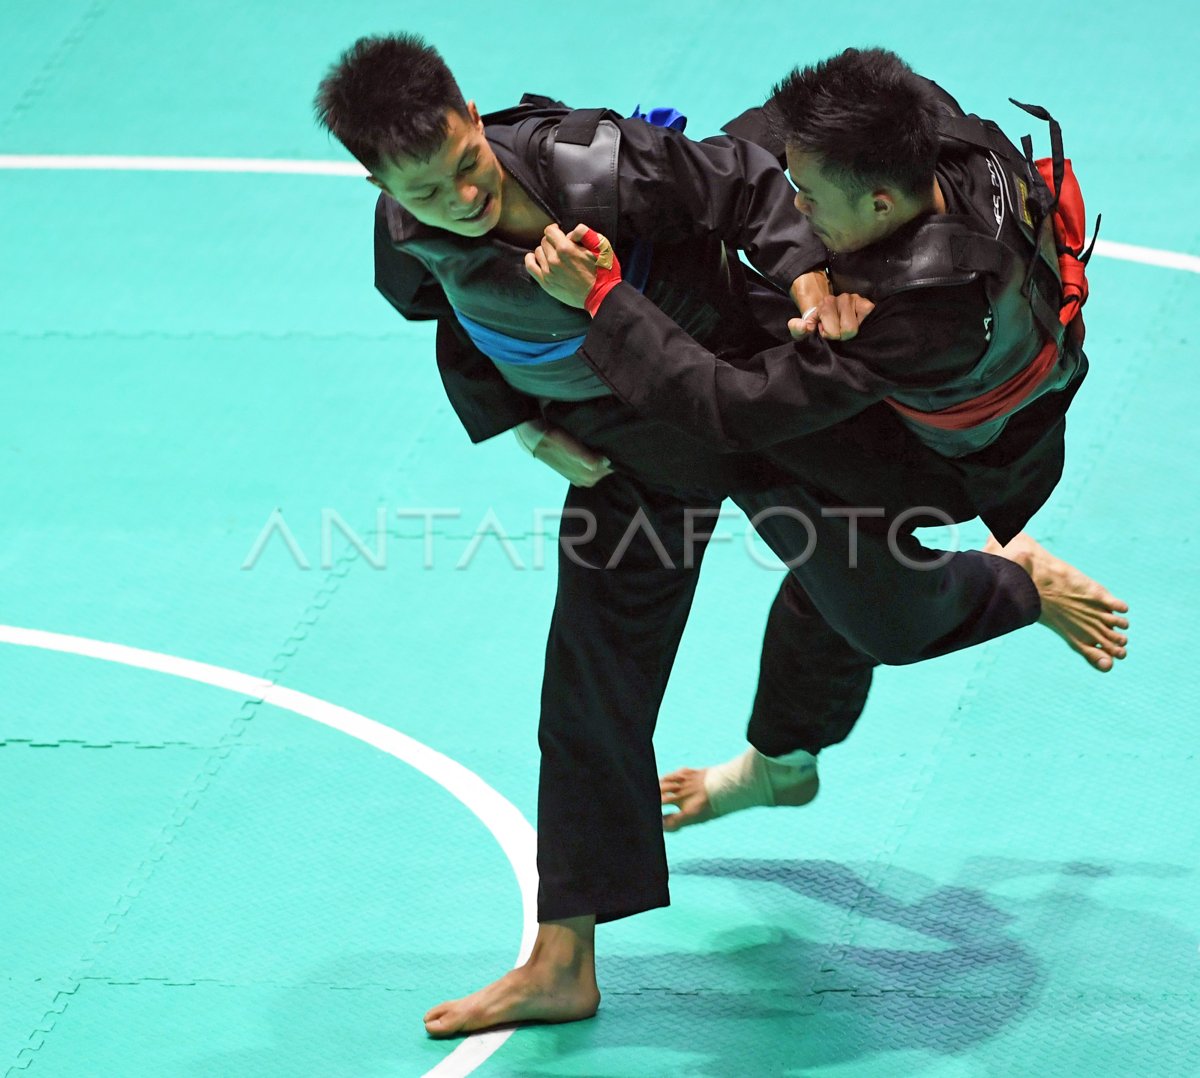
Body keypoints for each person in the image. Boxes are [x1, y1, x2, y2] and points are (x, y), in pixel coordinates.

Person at [312, 35, 1128, 1036]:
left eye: (466, 167)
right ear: (379, 184)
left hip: (755, 401)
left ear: (473, 116)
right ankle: (563, 955)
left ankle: (1014, 589)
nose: (461, 199)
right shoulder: (404, 242)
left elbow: (748, 188)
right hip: (628, 448)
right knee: (588, 680)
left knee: (883, 614)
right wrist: (525, 424)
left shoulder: (596, 164)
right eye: (428, 192)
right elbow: (454, 318)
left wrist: (802, 282)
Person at [529, 46, 1129, 832]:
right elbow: (768, 139)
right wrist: (806, 261)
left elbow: (730, 409)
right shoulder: (915, 118)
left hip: (944, 462)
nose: (793, 209)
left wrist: (604, 298)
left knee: (884, 617)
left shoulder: (915, 311)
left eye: (807, 201)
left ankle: (1019, 582)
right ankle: (781, 768)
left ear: (880, 205)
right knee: (835, 569)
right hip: (980, 409)